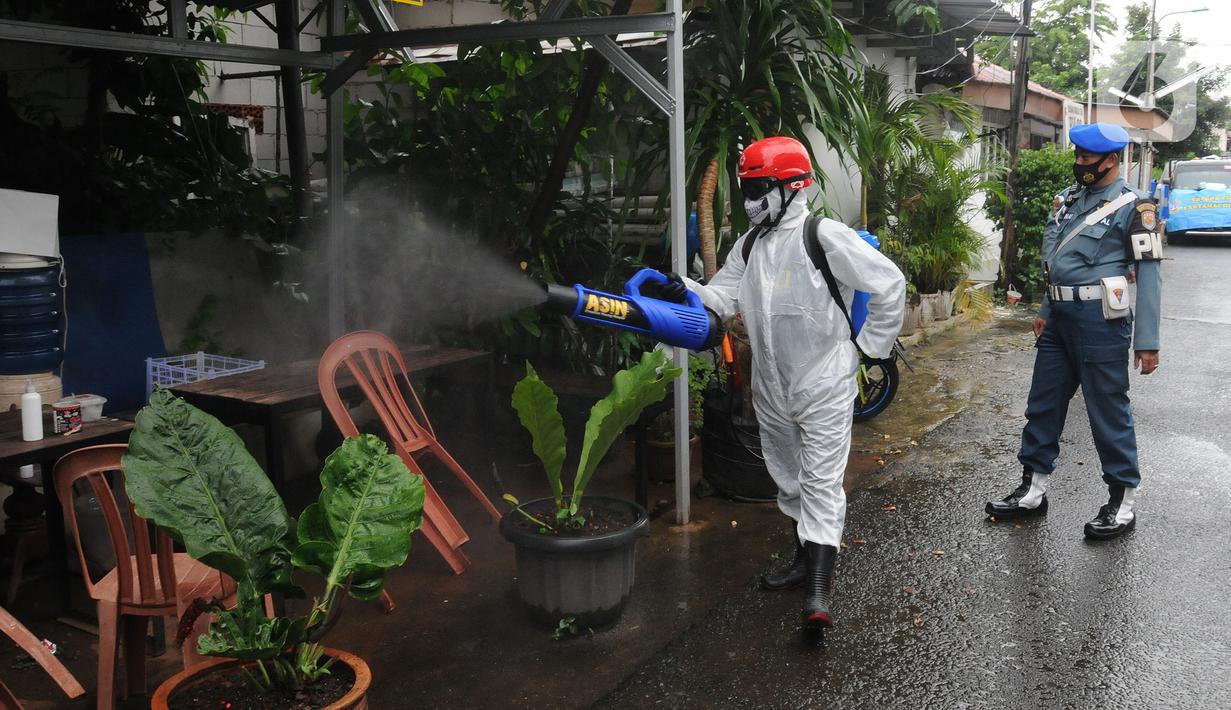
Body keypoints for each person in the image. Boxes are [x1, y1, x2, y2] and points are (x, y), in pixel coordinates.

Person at [658, 136, 905, 628]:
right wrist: (682, 288)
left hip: (824, 380)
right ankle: (801, 559)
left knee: (820, 480)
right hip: (770, 383)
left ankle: (818, 587)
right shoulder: (749, 244)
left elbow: (889, 283)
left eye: (759, 188)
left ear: (793, 187)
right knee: (787, 476)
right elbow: (723, 298)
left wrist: (868, 348)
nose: (750, 201)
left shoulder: (824, 235)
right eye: (746, 188)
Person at [986, 123, 1162, 539]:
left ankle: (1121, 501)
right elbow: (1056, 260)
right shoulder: (1067, 201)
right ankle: (1033, 488)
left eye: (1087, 158)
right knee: (1043, 403)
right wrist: (1046, 307)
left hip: (1100, 320)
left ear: (1111, 161)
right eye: (1078, 156)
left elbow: (1150, 276)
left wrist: (1148, 342)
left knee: (1107, 411)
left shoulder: (1135, 208)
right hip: (1059, 318)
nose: (1079, 164)